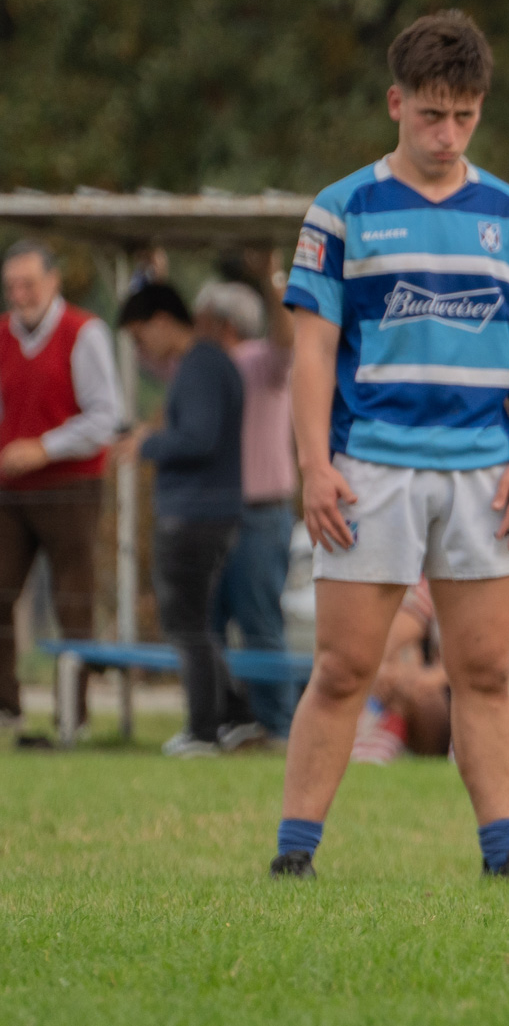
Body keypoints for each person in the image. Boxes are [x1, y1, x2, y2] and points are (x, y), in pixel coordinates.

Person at [271, 10, 509, 881]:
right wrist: (316, 465)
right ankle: (294, 853)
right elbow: (311, 352)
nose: (447, 133)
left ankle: (504, 852)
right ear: (396, 103)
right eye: (432, 114)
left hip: (484, 471)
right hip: (371, 467)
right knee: (346, 664)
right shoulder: (343, 208)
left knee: (483, 667)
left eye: (465, 115)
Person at [116, 284, 245, 757]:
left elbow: (199, 439)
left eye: (138, 335)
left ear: (162, 320)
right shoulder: (208, 364)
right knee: (198, 624)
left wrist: (148, 443)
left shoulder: (200, 366)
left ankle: (203, 728)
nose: (140, 348)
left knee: (185, 623)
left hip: (194, 515)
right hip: (207, 511)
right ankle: (230, 715)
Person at [0, 239, 122, 735]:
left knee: (73, 598)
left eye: (28, 284)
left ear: (52, 282)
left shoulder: (83, 332)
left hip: (71, 483)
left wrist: (44, 447)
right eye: (12, 286)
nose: (20, 294)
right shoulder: (3, 336)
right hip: (11, 487)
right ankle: (7, 707)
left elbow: (105, 417)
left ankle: (75, 715)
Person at [195, 265, 297, 746]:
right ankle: (216, 722)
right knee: (207, 621)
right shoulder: (199, 368)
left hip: (260, 513)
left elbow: (286, 334)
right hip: (209, 514)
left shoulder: (262, 360)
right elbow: (147, 343)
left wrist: (269, 276)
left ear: (224, 324)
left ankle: (278, 726)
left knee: (260, 621)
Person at [370, 567, 509, 761]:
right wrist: (386, 668)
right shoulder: (442, 579)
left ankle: (467, 757)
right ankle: (389, 749)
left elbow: (499, 654)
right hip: (455, 691)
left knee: (500, 682)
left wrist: (432, 677)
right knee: (414, 691)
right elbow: (401, 628)